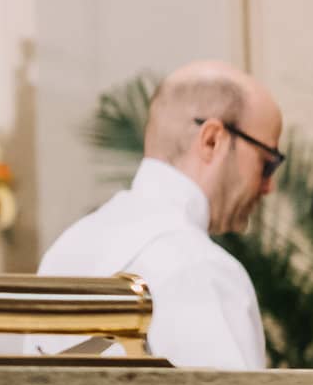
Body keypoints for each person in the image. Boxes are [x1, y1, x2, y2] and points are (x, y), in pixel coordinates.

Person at [33, 60, 283, 368]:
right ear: (212, 140)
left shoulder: (66, 247)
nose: (268, 186)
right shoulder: (198, 267)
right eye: (267, 162)